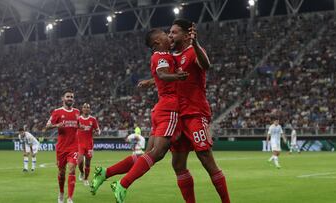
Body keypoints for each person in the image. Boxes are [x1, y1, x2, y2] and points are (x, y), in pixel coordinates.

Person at [90, 28, 188, 202]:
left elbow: (159, 76)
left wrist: (150, 82)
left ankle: (105, 173)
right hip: (170, 108)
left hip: (160, 109)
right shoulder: (162, 55)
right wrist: (178, 77)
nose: (169, 36)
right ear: (157, 41)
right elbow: (162, 74)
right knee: (158, 153)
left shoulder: (160, 56)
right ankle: (123, 184)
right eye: (165, 34)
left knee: (147, 153)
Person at [168, 19, 230, 203]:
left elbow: (207, 65)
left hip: (195, 113)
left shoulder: (193, 51)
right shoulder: (172, 57)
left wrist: (195, 43)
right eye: (169, 32)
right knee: (178, 164)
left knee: (206, 159)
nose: (170, 35)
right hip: (178, 117)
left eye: (174, 32)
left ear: (187, 35)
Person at [46, 89, 80, 203]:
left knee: (71, 169)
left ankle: (70, 198)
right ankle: (61, 192)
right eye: (68, 96)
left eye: (71, 97)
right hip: (61, 148)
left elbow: (79, 125)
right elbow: (47, 126)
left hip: (74, 147)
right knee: (61, 173)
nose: (70, 98)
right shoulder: (57, 112)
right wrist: (57, 125)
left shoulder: (77, 112)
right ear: (63, 99)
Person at [77, 103, 100, 186]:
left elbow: (98, 130)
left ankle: (86, 179)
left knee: (87, 163)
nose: (86, 109)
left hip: (89, 144)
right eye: (84, 107)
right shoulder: (78, 119)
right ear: (82, 109)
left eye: (88, 107)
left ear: (89, 109)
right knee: (79, 161)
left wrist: (97, 133)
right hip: (80, 143)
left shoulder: (93, 119)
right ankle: (82, 172)